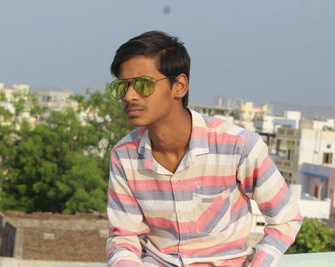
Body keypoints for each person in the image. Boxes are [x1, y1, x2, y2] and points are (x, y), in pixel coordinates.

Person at [106, 30, 302, 267]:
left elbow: (286, 219)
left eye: (142, 85)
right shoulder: (124, 155)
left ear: (179, 86)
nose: (129, 96)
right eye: (122, 86)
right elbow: (124, 236)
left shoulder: (238, 146)